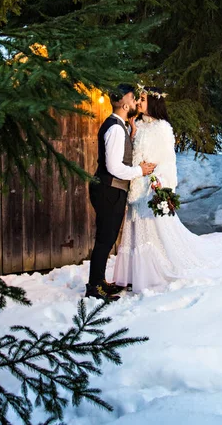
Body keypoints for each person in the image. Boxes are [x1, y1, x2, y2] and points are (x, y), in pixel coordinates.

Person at [113, 86, 222, 293]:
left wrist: (162, 185)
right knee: (136, 231)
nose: (139, 103)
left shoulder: (163, 128)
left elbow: (168, 161)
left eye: (143, 99)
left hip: (150, 188)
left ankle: (152, 275)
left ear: (154, 102)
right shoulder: (137, 124)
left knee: (152, 232)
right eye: (138, 99)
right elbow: (134, 154)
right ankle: (133, 275)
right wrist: (133, 134)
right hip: (136, 184)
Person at [85, 84, 156, 301]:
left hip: (110, 190)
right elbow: (114, 167)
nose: (136, 102)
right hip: (109, 189)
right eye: (133, 97)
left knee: (107, 238)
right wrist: (140, 171)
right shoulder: (115, 128)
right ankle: (94, 287)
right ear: (123, 102)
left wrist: (132, 134)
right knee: (105, 239)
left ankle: (99, 282)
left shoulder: (119, 126)